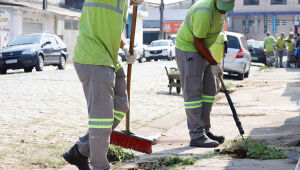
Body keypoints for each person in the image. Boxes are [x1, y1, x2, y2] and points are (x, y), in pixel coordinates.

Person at [62, 0, 144, 170]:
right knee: (102, 118)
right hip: (93, 57)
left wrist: (126, 46)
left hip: (110, 58)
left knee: (121, 105)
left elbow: (118, 29)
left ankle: (80, 150)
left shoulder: (124, 3)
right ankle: (100, 166)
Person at [175, 0, 235, 148]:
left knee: (210, 91)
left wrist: (212, 61)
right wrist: (214, 62)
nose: (223, 11)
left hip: (203, 49)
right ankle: (196, 135)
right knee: (193, 94)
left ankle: (204, 130)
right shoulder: (204, 11)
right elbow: (198, 41)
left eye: (226, 9)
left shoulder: (221, 9)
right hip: (189, 49)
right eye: (222, 8)